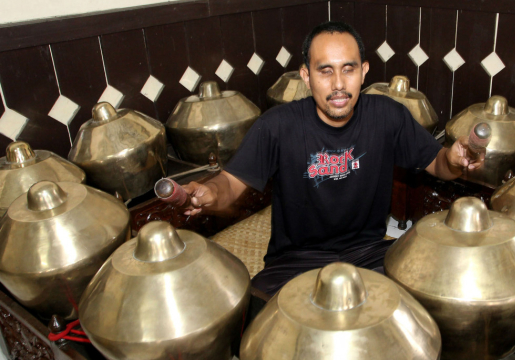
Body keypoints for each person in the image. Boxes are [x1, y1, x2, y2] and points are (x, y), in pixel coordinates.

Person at [182, 21, 482, 296]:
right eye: (325, 71)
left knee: (424, 292)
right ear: (306, 76)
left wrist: (454, 160)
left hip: (369, 253)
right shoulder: (277, 126)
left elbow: (438, 164)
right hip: (296, 261)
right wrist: (210, 193)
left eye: (348, 69)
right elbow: (230, 185)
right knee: (258, 309)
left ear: (364, 71)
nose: (338, 83)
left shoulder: (388, 116)